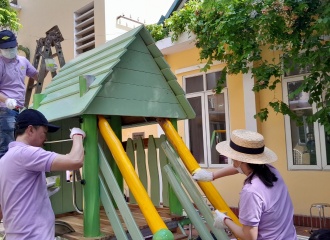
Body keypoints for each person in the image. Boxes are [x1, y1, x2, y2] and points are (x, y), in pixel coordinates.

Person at [192, 129, 297, 240]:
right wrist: (212, 175)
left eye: (233, 158)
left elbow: (249, 237)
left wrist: (225, 220)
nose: (232, 161)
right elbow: (238, 168)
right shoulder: (271, 171)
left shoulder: (251, 192)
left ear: (239, 160)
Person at [0, 109, 85, 240]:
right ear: (30, 130)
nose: (46, 138)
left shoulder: (4, 160)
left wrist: (40, 192)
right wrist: (77, 136)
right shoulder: (26, 153)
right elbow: (75, 161)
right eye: (44, 133)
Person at [0, 29, 38, 158]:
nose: (9, 50)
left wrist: (49, 68)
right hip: (4, 110)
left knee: (18, 145)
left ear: (16, 44)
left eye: (11, 47)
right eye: (6, 48)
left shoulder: (23, 61)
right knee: (6, 146)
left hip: (20, 109)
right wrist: (6, 100)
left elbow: (37, 76)